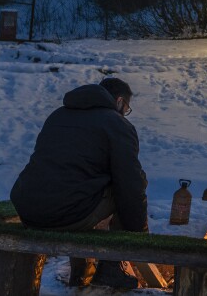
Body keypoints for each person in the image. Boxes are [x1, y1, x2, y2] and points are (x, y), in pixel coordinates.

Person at [11, 77, 149, 289]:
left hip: (28, 209)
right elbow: (130, 183)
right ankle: (110, 269)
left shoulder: (57, 115)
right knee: (125, 185)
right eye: (127, 108)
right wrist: (138, 232)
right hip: (66, 213)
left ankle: (81, 273)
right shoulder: (117, 124)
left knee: (80, 190)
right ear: (120, 102)